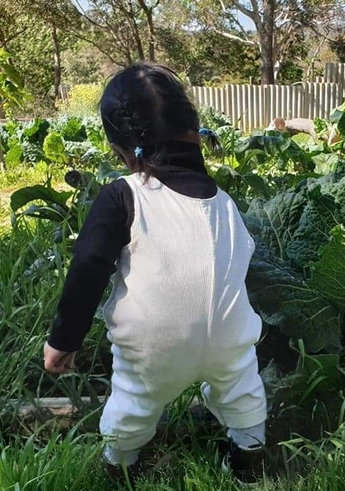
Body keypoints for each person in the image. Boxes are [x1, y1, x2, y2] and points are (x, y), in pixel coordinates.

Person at [42, 63, 267, 485]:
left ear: (119, 146)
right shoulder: (226, 203)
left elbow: (88, 267)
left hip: (154, 350)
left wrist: (63, 340)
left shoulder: (123, 196)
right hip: (230, 341)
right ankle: (249, 463)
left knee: (134, 403)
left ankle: (121, 466)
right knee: (242, 393)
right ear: (195, 129)